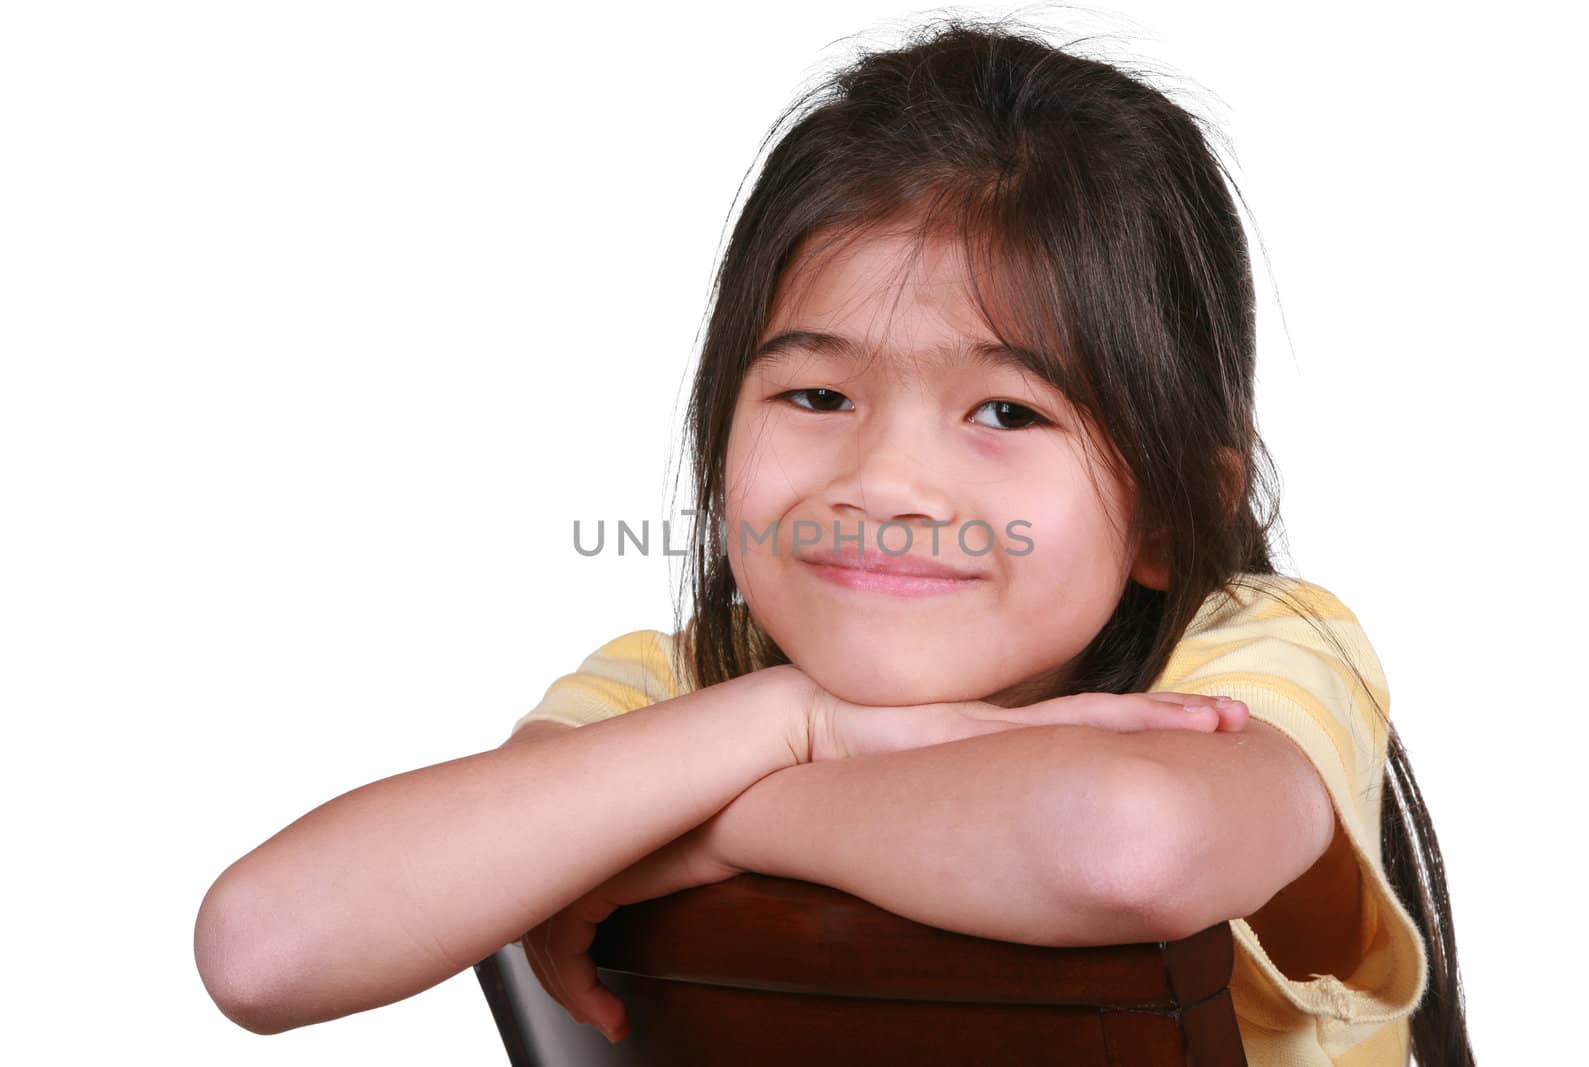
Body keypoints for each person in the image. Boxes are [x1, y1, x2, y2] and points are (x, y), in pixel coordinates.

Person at [193, 15, 1472, 1067]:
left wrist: (705, 824)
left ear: (1170, 513)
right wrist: (791, 719)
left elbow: (1128, 848)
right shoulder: (686, 680)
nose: (885, 480)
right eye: (815, 395)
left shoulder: (1256, 660)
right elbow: (264, 946)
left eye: (1007, 409)